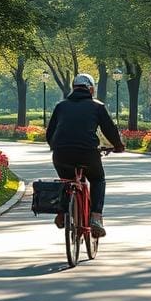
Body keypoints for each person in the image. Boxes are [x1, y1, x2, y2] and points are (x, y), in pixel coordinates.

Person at [46, 73, 124, 237]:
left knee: (66, 181)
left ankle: (62, 212)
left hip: (62, 155)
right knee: (97, 179)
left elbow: (50, 133)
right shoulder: (97, 106)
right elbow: (110, 130)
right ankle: (96, 217)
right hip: (88, 154)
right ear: (91, 89)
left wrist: (56, 147)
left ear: (73, 88)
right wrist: (118, 146)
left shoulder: (61, 106)